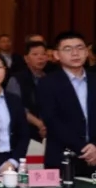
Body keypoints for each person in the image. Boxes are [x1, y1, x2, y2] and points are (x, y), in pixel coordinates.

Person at [38, 31, 96, 169]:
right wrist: (85, 149)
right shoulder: (47, 83)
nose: (75, 53)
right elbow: (52, 120)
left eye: (80, 48)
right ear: (56, 55)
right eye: (68, 49)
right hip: (62, 158)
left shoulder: (94, 80)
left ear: (87, 52)